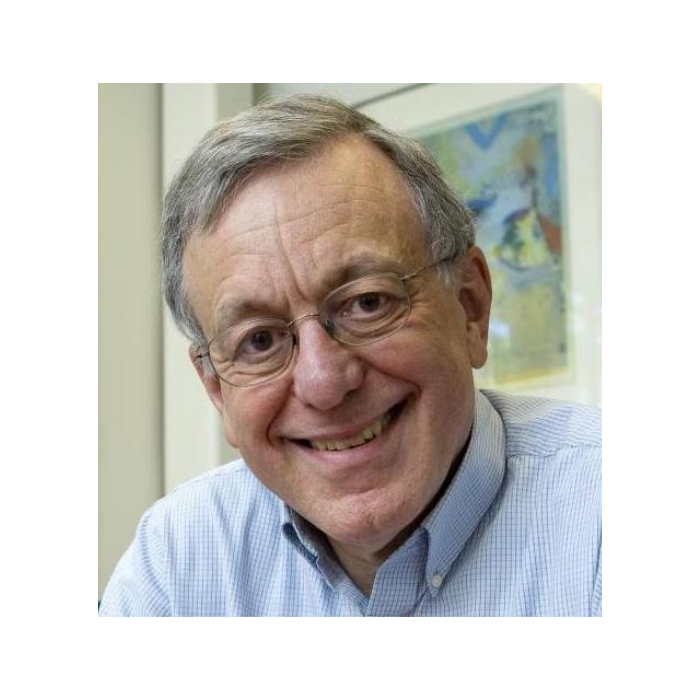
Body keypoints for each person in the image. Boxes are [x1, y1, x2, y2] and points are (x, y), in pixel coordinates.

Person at [99, 95, 601, 617]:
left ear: (470, 307)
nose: (323, 382)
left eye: (367, 303)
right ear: (216, 390)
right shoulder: (178, 561)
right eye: (260, 341)